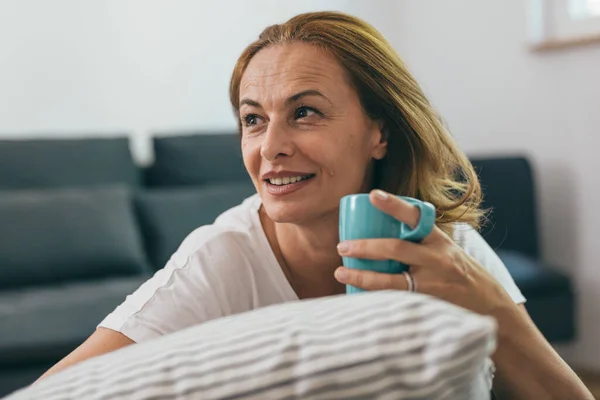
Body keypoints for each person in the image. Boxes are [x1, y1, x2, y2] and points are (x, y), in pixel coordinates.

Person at [38, 11, 592, 399]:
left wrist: (491, 309)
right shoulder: (223, 259)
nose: (270, 147)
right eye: (253, 119)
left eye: (305, 112)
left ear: (380, 131)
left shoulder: (448, 251)